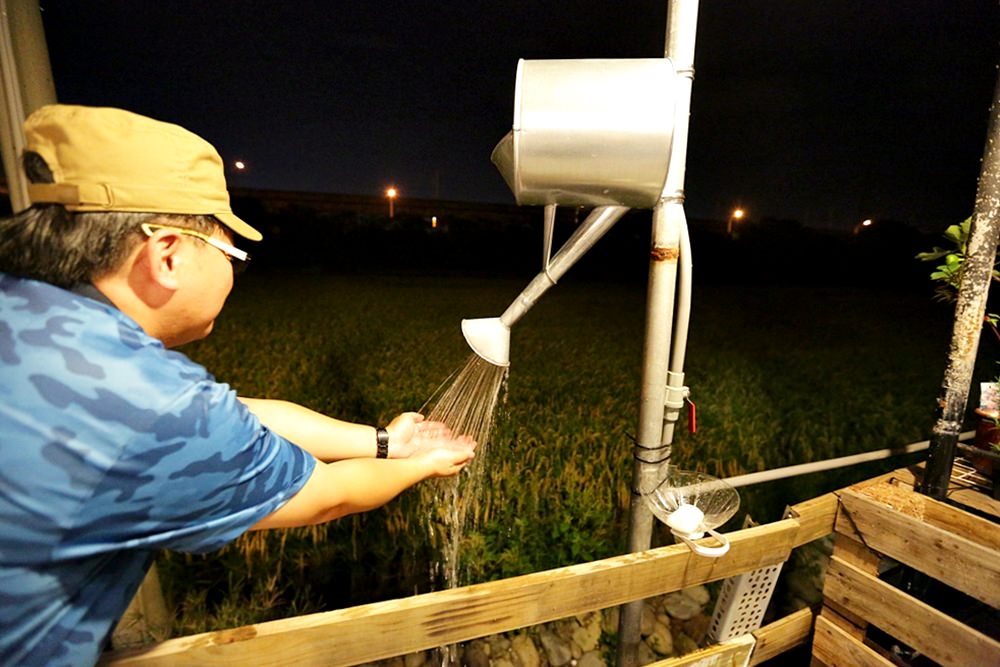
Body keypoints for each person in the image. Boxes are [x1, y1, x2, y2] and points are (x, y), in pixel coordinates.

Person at [0, 104, 477, 666]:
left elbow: (238, 414)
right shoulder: (154, 404)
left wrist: (386, 442)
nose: (235, 273)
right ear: (167, 255)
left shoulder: (38, 321)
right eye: (233, 254)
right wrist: (426, 462)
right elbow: (328, 497)